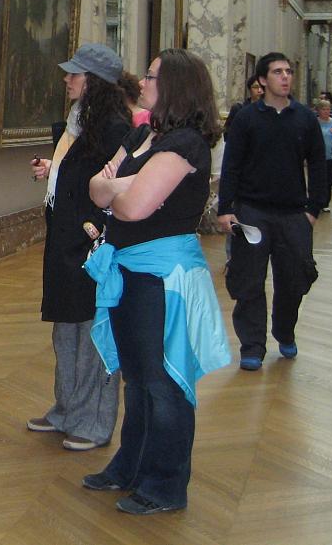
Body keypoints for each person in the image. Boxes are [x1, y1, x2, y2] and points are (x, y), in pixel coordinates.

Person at [81, 49, 231, 515]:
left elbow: (131, 208)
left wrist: (119, 188)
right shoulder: (143, 133)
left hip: (163, 277)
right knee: (138, 378)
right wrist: (121, 187)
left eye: (151, 76)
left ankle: (165, 484)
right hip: (128, 269)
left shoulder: (186, 144)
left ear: (177, 87)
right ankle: (130, 466)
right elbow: (95, 188)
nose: (142, 82)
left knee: (164, 381)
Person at [26, 43, 131, 451]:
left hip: (92, 245)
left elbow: (116, 187)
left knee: (93, 334)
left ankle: (94, 422)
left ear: (96, 82)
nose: (67, 79)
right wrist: (53, 169)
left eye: (75, 73)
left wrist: (97, 234)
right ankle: (67, 409)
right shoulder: (80, 121)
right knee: (66, 328)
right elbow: (81, 173)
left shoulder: (115, 129)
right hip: (65, 238)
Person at [216, 52, 327, 371]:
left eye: (288, 71)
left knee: (294, 280)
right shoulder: (247, 119)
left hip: (293, 214)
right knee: (249, 281)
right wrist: (225, 209)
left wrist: (313, 208)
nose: (285, 77)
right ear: (262, 80)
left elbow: (318, 164)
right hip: (252, 211)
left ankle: (284, 329)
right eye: (278, 72)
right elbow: (232, 165)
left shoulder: (304, 118)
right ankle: (252, 345)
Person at [223, 74, 264, 141]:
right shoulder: (238, 109)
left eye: (262, 87)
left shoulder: (270, 111)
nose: (259, 90)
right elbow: (227, 134)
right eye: (255, 87)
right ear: (250, 89)